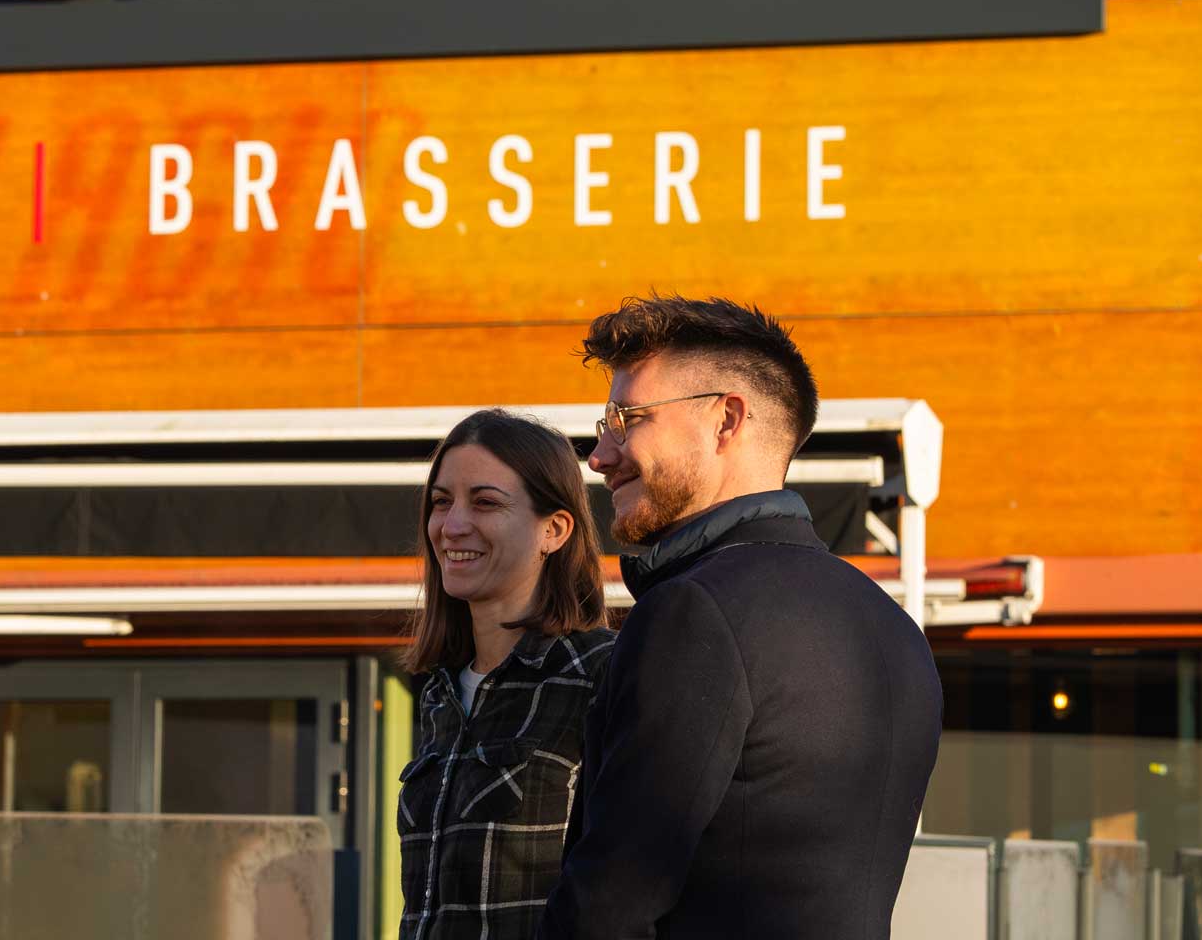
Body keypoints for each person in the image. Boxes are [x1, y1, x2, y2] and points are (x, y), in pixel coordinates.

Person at [538, 295, 943, 940]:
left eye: (626, 420)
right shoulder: (892, 628)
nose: (599, 455)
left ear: (726, 419)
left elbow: (609, 905)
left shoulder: (692, 613)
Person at [397, 409, 615, 940]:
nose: (451, 525)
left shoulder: (604, 671)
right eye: (441, 501)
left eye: (485, 502)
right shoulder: (440, 694)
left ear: (554, 530)